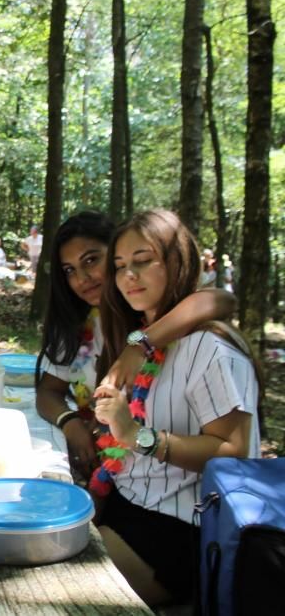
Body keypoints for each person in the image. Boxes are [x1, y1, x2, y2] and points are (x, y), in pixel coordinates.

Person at [91, 209, 261, 607]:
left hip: (177, 529)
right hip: (125, 501)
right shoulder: (142, 339)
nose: (128, 275)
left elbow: (233, 452)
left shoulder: (211, 348)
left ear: (177, 261)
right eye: (119, 266)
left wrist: (136, 436)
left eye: (143, 260)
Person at [35, 211, 235, 480]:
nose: (82, 278)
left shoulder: (155, 313)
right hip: (116, 473)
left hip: (164, 484)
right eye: (70, 270)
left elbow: (220, 300)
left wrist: (140, 344)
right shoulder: (78, 325)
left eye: (92, 260)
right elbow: (48, 390)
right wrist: (70, 422)